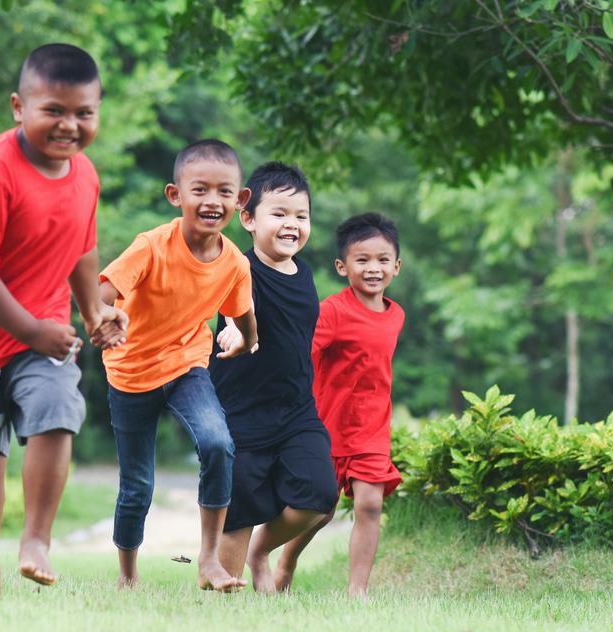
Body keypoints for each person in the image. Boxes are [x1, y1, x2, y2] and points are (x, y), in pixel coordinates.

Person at [0, 43, 126, 594]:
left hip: (42, 329)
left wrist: (92, 311)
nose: (69, 125)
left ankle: (37, 539)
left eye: (84, 113)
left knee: (57, 411)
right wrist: (32, 329)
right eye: (53, 110)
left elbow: (83, 247)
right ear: (19, 107)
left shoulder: (85, 175)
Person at [99, 139, 258, 591]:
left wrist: (248, 340)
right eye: (200, 190)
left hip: (188, 364)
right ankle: (127, 576)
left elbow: (243, 311)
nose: (212, 201)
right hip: (130, 372)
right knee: (137, 485)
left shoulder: (234, 262)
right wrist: (104, 318)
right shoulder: (151, 246)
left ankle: (209, 561)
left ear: (240, 199)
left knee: (217, 443)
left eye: (225, 192)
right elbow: (104, 291)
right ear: (176, 195)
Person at [209, 161, 339, 593]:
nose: (292, 225)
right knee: (239, 508)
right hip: (240, 414)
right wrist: (231, 328)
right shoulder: (239, 270)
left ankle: (260, 552)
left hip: (296, 411)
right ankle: (224, 593)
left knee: (320, 495)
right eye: (279, 214)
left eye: (301, 216)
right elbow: (231, 309)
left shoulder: (303, 273)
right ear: (248, 218)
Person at [286, 212, 405, 597]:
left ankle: (357, 591)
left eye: (383, 260)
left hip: (371, 428)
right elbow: (301, 356)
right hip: (327, 425)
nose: (374, 268)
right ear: (342, 266)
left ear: (396, 266)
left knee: (370, 505)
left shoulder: (396, 314)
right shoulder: (332, 312)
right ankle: (286, 562)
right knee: (319, 512)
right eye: (362, 260)